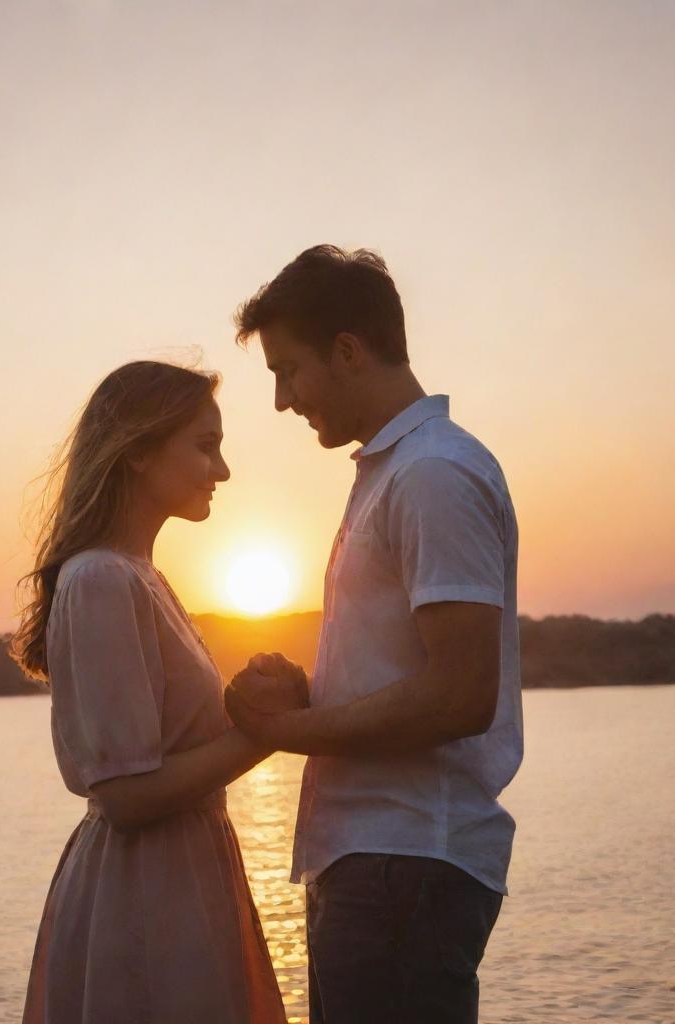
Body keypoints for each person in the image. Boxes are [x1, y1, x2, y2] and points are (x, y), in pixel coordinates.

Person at [225, 245, 523, 1024]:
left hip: (407, 864)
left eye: (289, 371)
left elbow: (461, 695)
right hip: (380, 863)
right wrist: (309, 689)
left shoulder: (432, 475)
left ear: (348, 352)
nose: (285, 401)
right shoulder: (396, 475)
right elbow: (411, 673)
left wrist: (294, 728)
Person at [10, 361, 294, 1024]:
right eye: (205, 445)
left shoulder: (139, 577)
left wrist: (261, 698)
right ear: (138, 450)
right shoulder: (103, 580)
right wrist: (263, 732)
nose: (221, 470)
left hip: (178, 879)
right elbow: (126, 796)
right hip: (146, 896)